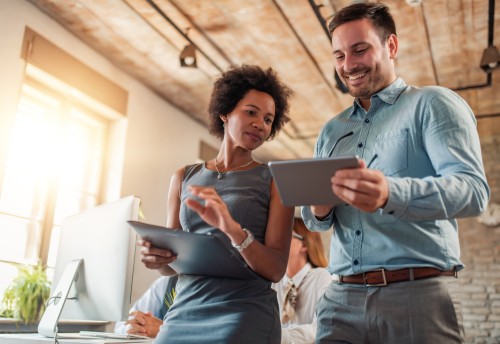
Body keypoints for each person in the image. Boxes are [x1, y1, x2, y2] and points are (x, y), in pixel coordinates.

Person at [301, 3, 490, 343]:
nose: (349, 65)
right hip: (339, 301)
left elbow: (473, 191)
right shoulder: (331, 131)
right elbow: (316, 222)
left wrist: (390, 193)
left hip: (417, 296)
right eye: (339, 55)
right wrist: (318, 208)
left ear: (391, 46)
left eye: (360, 50)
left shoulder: (432, 104)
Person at [139, 64, 295, 344]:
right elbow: (172, 263)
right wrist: (157, 260)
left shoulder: (277, 180)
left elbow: (275, 269)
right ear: (224, 112)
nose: (260, 124)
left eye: (269, 119)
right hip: (185, 311)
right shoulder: (183, 177)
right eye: (251, 112)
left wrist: (232, 228)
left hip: (244, 313)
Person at [273, 215, 331, 344]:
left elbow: (322, 327)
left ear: (304, 245)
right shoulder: (273, 280)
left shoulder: (322, 277)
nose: (278, 240)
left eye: (287, 236)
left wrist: (279, 337)